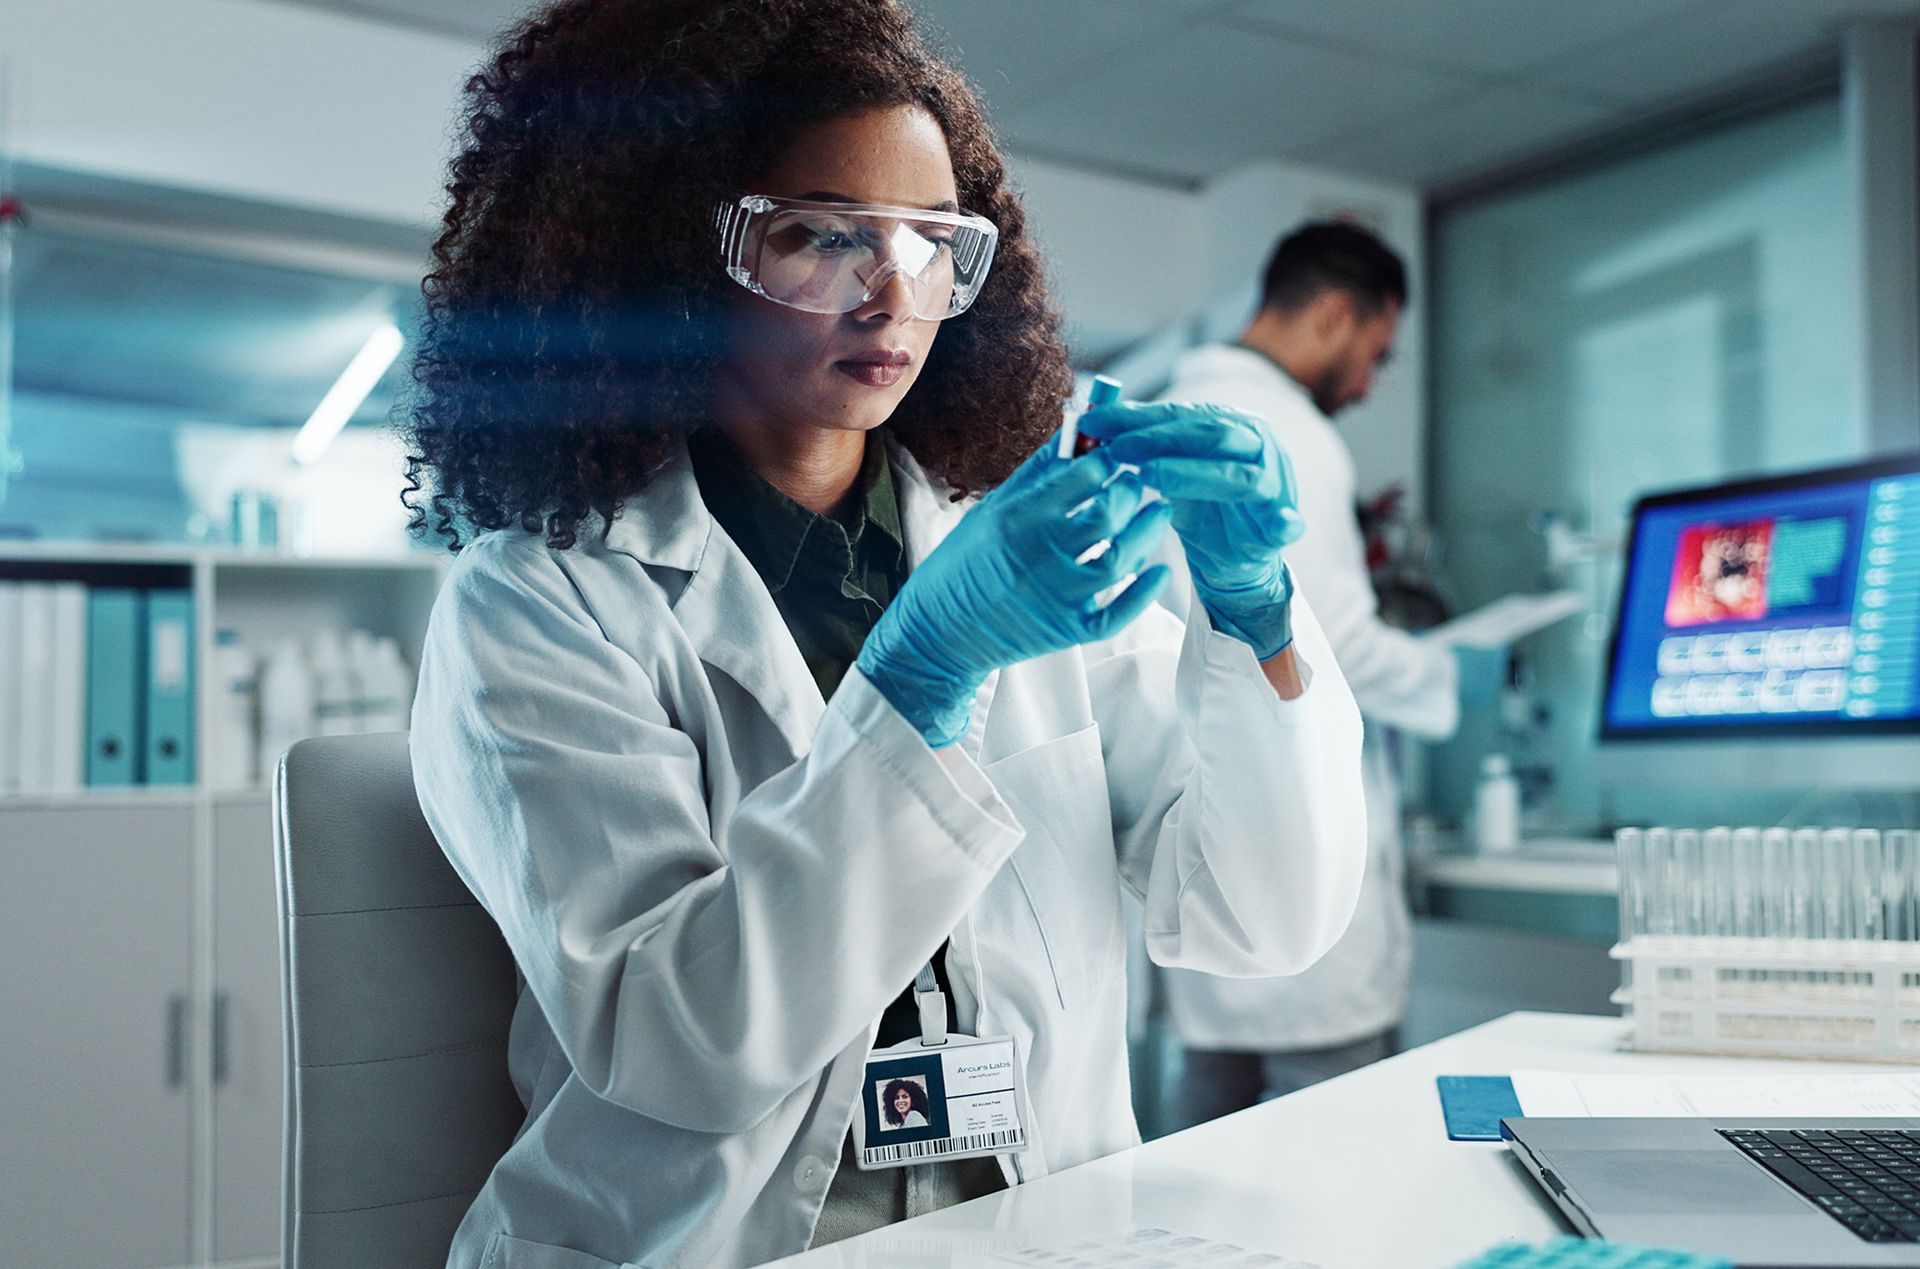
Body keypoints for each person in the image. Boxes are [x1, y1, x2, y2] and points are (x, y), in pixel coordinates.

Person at [403, 4, 1367, 1266]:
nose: (895, 294)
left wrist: (1253, 614)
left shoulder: (1021, 560)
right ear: (668, 256)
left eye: (931, 243)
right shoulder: (539, 601)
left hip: (1032, 1230)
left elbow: (1262, 924)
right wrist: (925, 674)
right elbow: (682, 1041)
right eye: (821, 237)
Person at [1158, 222, 1497, 1126]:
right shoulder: (1291, 433)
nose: (1370, 382)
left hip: (1207, 879)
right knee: (1335, 1170)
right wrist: (1448, 672)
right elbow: (1329, 641)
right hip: (1298, 880)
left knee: (1198, 1173)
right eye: (1376, 353)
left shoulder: (1175, 410)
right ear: (1338, 313)